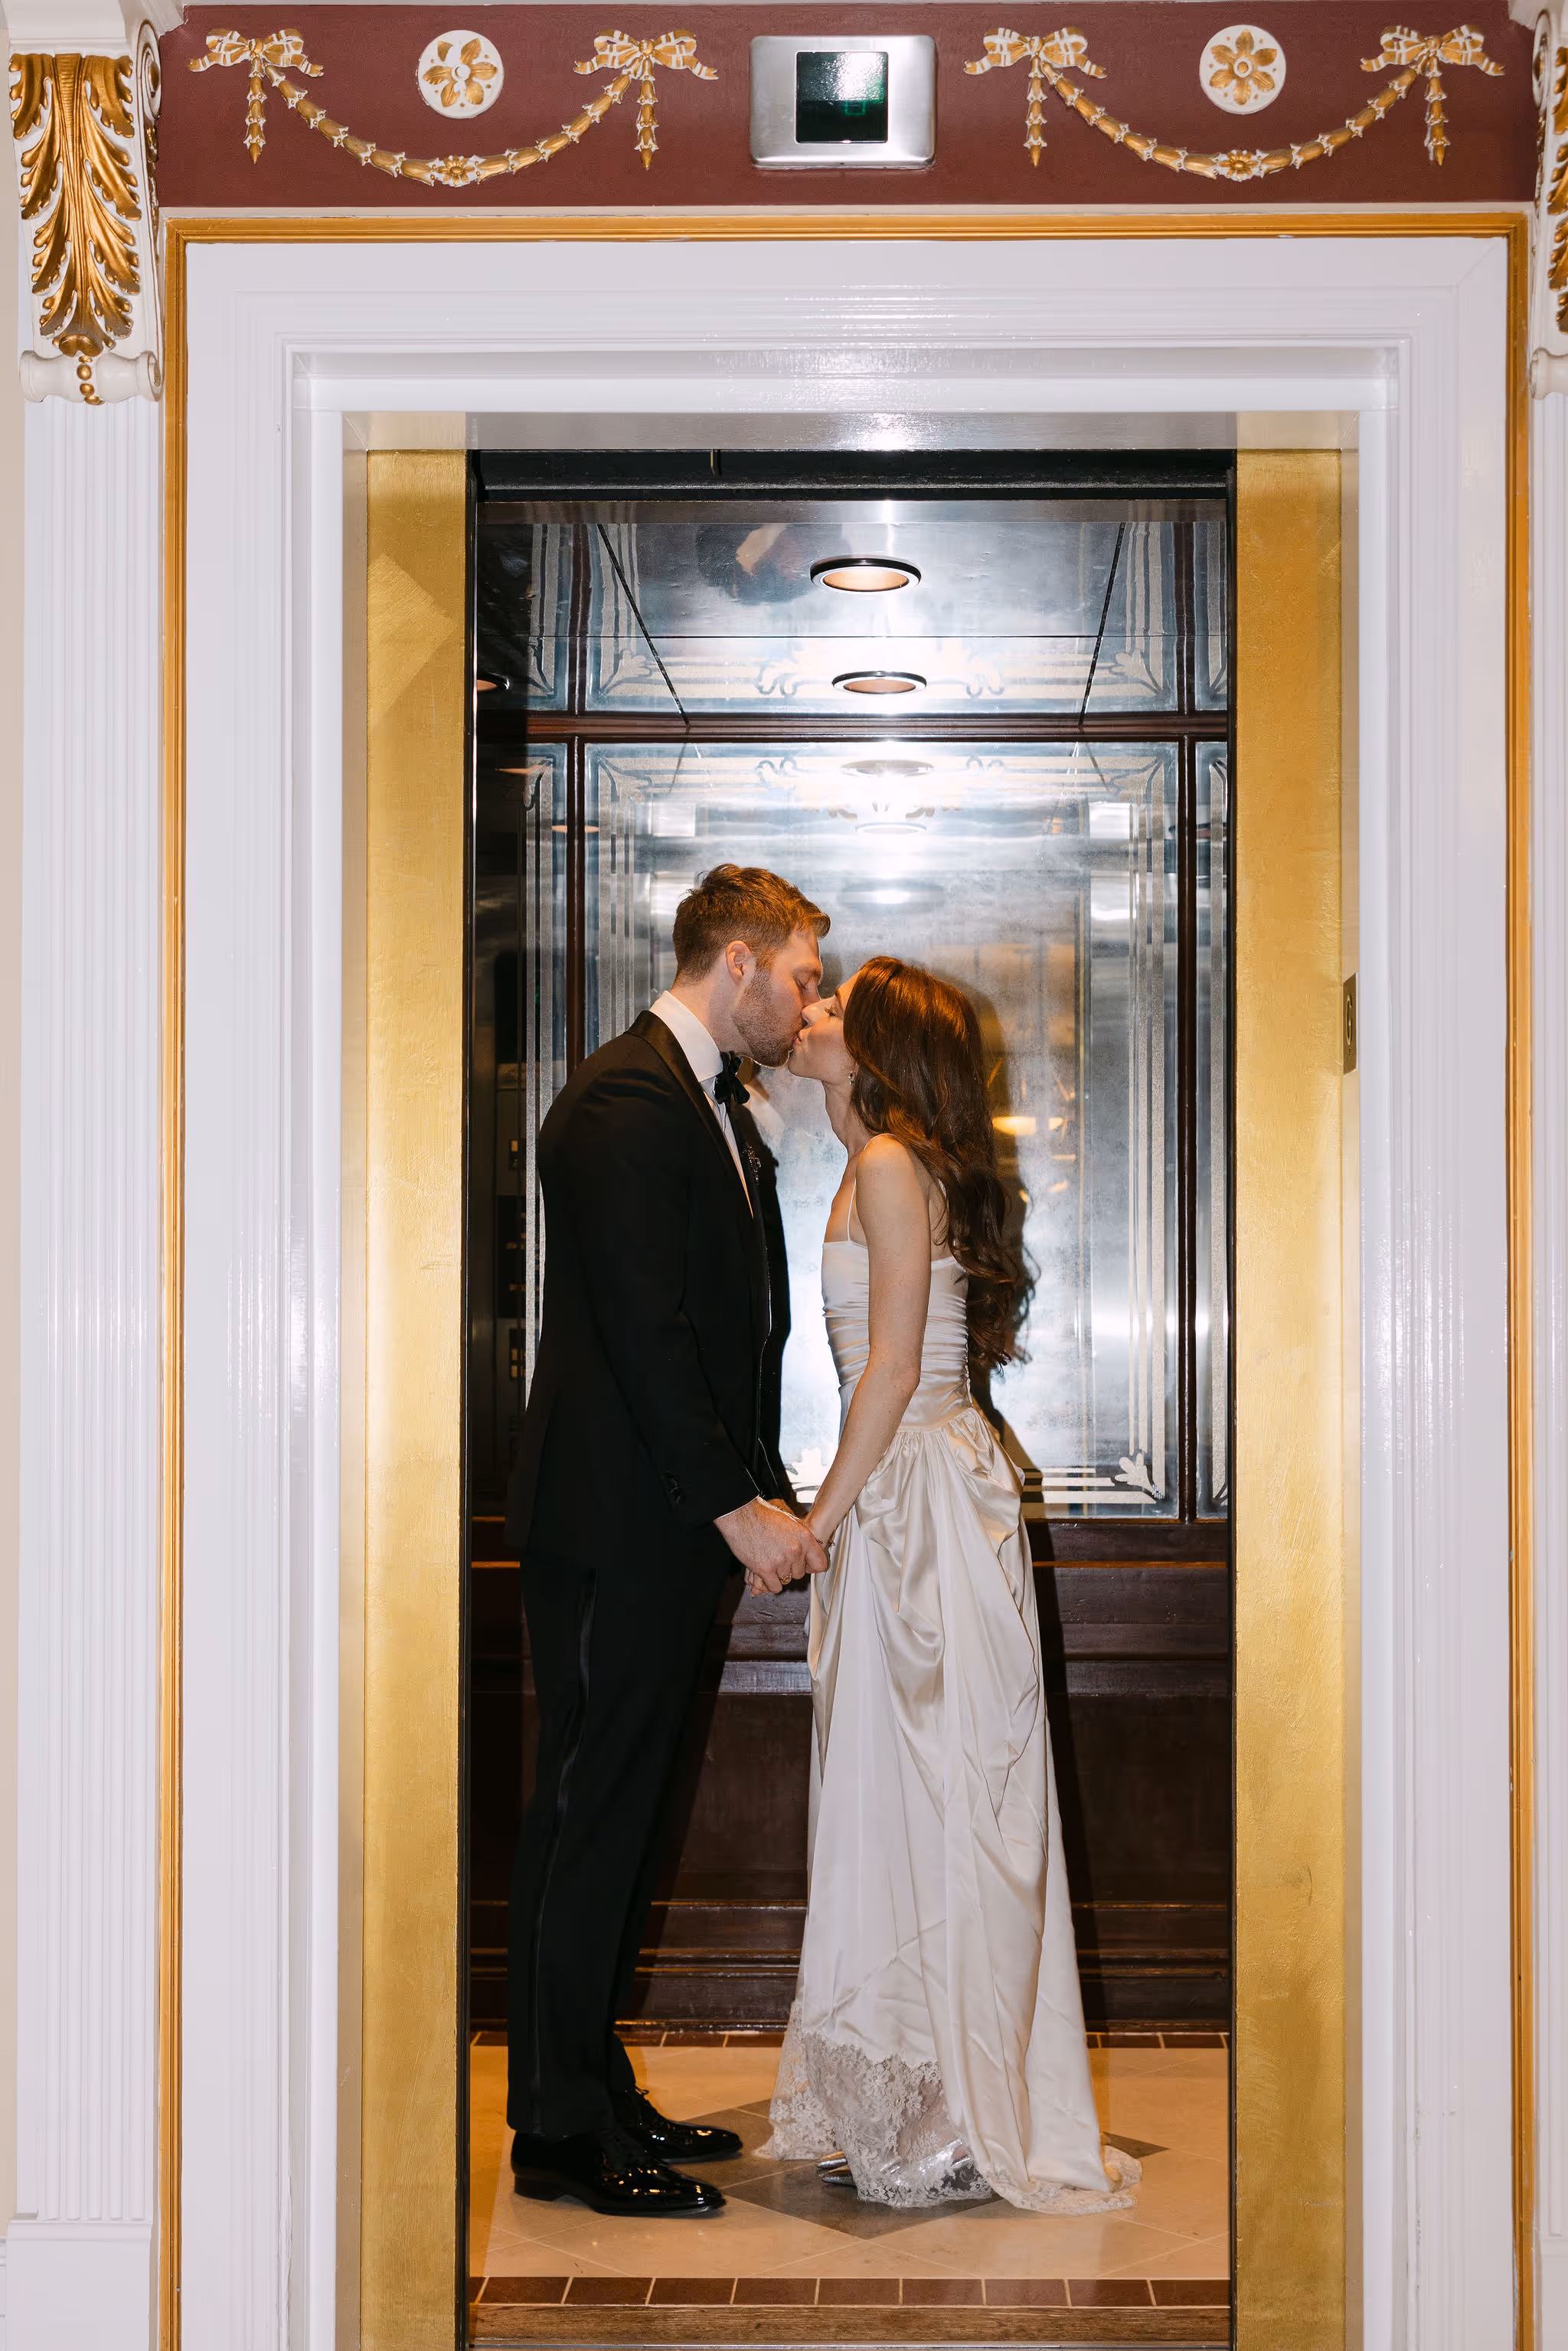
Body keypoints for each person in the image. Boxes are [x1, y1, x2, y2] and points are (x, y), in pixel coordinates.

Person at [762, 956, 1141, 2214]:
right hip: (913, 1490)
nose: (807, 1014)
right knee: (904, 1788)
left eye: (831, 1004)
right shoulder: (883, 1160)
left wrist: (817, 1517)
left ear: (870, 1048)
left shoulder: (884, 1164)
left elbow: (884, 1377)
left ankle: (943, 2105)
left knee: (923, 1790)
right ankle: (919, 2090)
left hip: (915, 1494)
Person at [502, 865, 832, 2219]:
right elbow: (647, 1339)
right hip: (611, 1526)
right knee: (584, 1820)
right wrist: (739, 1505)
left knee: (620, 1816)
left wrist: (754, 1485)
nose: (811, 1000)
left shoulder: (701, 1106)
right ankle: (560, 2129)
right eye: (805, 973)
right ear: (740, 961)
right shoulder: (623, 1101)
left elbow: (722, 1332)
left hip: (658, 1528)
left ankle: (592, 2080)